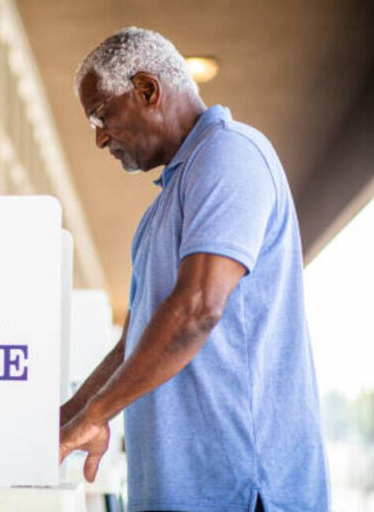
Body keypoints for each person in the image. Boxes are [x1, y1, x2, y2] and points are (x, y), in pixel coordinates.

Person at [59, 27, 329, 512]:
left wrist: (97, 415)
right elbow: (134, 343)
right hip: (177, 492)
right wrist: (65, 420)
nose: (100, 137)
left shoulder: (230, 154)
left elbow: (198, 309)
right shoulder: (157, 214)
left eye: (101, 114)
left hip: (241, 490)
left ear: (146, 90)